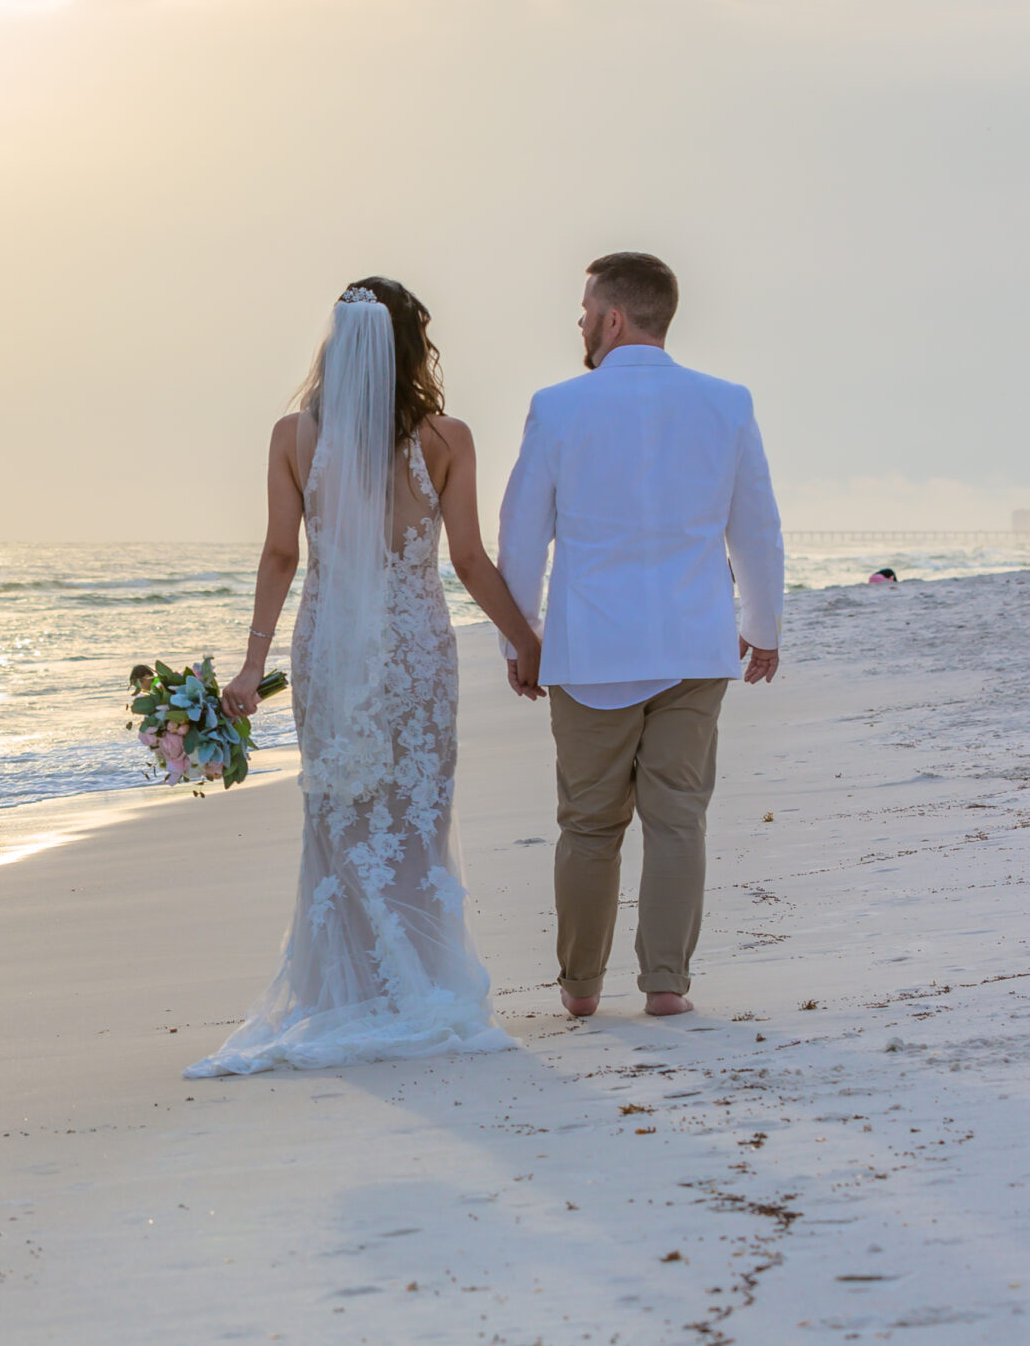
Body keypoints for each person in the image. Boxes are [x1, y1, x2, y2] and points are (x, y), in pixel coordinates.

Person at [188, 279, 545, 1077]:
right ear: (410, 347)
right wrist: (527, 639)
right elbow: (468, 560)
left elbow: (282, 553)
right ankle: (420, 982)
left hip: (327, 649)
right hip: (416, 646)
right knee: (416, 815)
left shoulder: (293, 436)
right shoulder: (446, 438)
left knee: (340, 814)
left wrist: (253, 662)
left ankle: (346, 992)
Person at [497, 252, 784, 1019]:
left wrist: (520, 640)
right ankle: (665, 985)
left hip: (590, 651)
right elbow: (755, 524)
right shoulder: (726, 403)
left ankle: (581, 988)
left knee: (589, 825)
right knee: (678, 818)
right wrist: (762, 626)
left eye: (586, 307)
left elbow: (522, 538)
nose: (581, 321)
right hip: (694, 645)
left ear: (613, 317)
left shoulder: (557, 407)